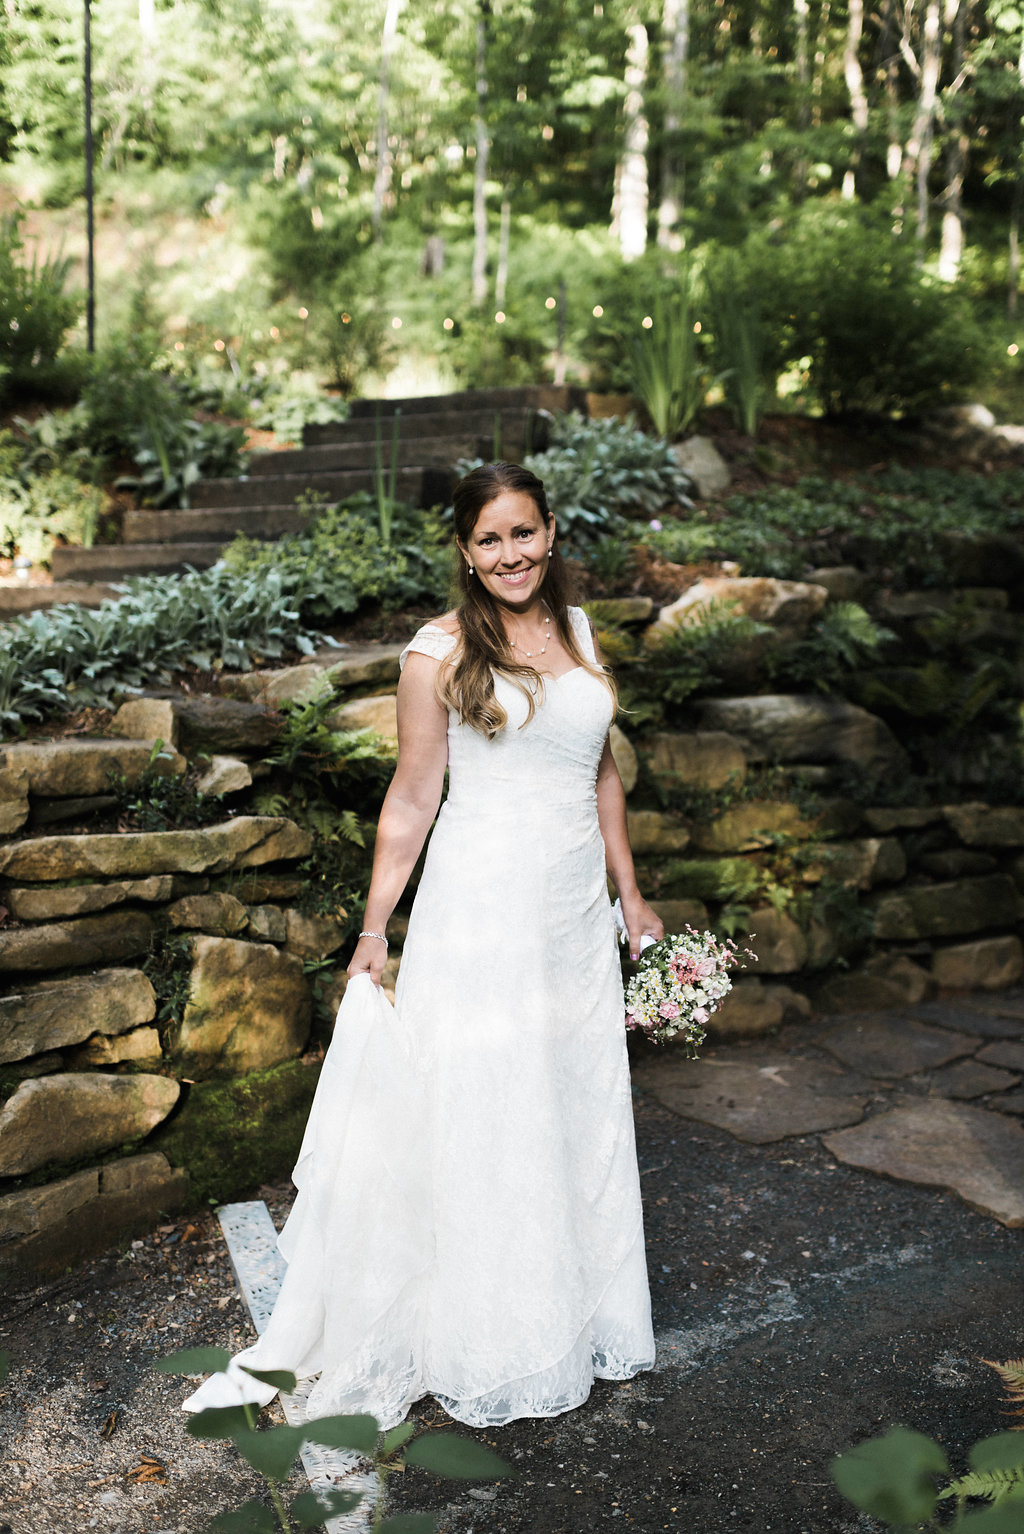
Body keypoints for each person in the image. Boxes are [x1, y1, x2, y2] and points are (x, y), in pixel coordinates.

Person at [183, 461, 662, 1430]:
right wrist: (372, 932)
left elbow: (598, 769)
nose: (509, 554)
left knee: (571, 1107)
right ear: (464, 551)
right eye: (488, 539)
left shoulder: (575, 632)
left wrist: (631, 894)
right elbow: (410, 798)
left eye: (522, 533)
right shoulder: (436, 652)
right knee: (488, 1114)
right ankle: (488, 1335)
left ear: (551, 531)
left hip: (570, 918)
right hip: (481, 913)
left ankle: (577, 1311)